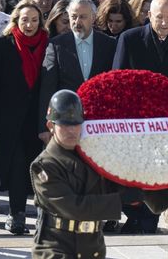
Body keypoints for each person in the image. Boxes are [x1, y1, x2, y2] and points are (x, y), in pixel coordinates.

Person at [31, 89, 141, 259]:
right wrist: (121, 200)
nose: (71, 130)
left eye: (76, 124)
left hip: (92, 247)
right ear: (50, 126)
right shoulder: (44, 165)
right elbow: (75, 207)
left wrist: (140, 188)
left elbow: (109, 186)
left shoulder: (92, 158)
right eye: (64, 124)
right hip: (56, 248)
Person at [0, 0, 48, 235]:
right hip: (9, 119)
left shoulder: (48, 45)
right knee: (16, 166)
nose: (29, 25)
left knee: (39, 167)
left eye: (34, 20)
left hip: (38, 118)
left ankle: (42, 214)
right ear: (16, 20)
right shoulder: (4, 46)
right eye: (25, 20)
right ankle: (17, 213)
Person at [39, 0, 116, 142]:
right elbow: (47, 88)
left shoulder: (109, 44)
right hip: (65, 121)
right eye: (73, 17)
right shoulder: (56, 45)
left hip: (98, 121)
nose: (77, 22)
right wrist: (44, 127)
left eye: (83, 17)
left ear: (93, 18)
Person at [113, 0, 168, 86]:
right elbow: (117, 77)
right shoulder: (129, 39)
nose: (164, 22)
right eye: (159, 17)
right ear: (150, 15)